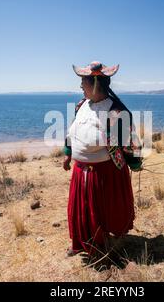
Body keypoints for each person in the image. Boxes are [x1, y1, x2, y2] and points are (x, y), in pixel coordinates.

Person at [63, 61, 143, 258]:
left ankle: (103, 247)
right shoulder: (81, 105)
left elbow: (129, 142)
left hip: (105, 174)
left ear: (96, 84)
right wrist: (67, 154)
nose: (81, 86)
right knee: (82, 211)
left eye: (84, 82)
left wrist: (135, 163)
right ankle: (81, 243)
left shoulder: (116, 112)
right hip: (80, 172)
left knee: (102, 212)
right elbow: (72, 132)